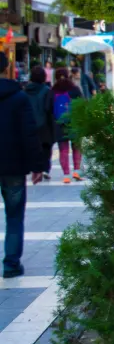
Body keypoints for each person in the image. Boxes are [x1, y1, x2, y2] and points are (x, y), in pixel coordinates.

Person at [0, 53, 44, 278]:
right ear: (7, 68)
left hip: (13, 166)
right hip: (13, 167)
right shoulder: (18, 98)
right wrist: (37, 165)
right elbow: (29, 133)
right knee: (14, 216)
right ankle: (11, 264)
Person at [51, 68, 83, 184]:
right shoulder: (74, 89)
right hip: (74, 122)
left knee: (63, 150)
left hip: (59, 123)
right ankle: (77, 171)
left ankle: (66, 175)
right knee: (76, 147)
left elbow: (49, 109)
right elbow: (82, 104)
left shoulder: (53, 91)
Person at [23, 66, 54, 180]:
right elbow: (49, 108)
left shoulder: (25, 91)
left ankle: (34, 168)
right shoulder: (47, 91)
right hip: (44, 124)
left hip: (28, 124)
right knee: (45, 148)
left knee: (32, 147)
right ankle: (45, 169)